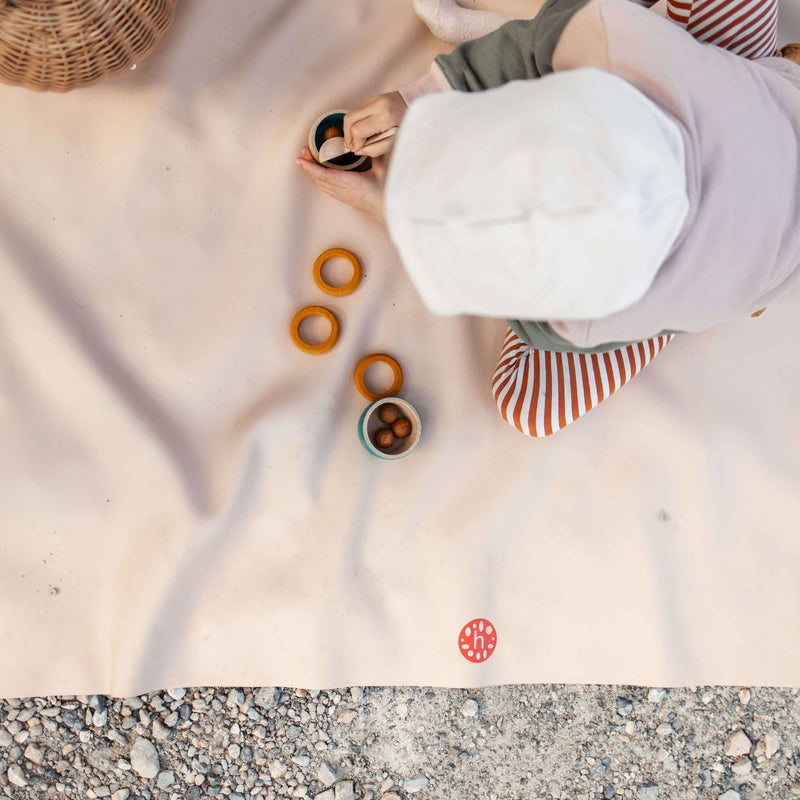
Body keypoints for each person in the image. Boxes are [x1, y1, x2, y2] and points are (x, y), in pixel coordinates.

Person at [296, 0, 800, 437]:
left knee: (526, 406)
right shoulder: (616, 42)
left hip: (742, 271)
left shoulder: (585, 319)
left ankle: (666, 303)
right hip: (759, 99)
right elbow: (528, 48)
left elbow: (525, 305)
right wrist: (416, 98)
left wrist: (392, 211)